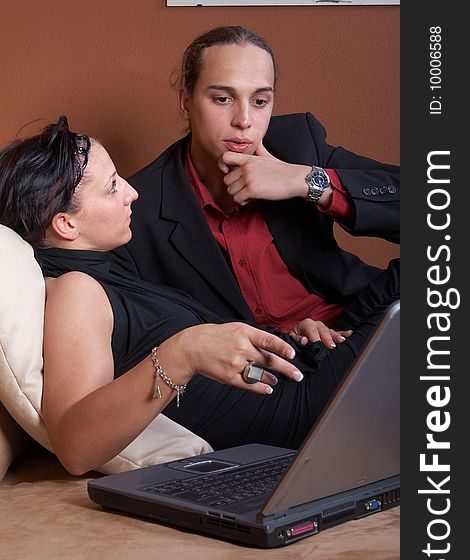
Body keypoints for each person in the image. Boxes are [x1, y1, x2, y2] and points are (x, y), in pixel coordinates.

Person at [0, 117, 395, 476]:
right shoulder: (75, 291)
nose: (132, 193)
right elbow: (76, 446)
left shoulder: (105, 275)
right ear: (66, 223)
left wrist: (288, 336)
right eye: (112, 186)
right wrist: (183, 353)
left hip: (304, 370)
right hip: (306, 413)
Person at [112, 25, 400, 344]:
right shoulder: (139, 207)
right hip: (260, 366)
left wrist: (307, 181)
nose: (245, 120)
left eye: (260, 101)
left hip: (355, 324)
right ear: (186, 102)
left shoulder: (298, 146)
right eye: (223, 99)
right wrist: (282, 337)